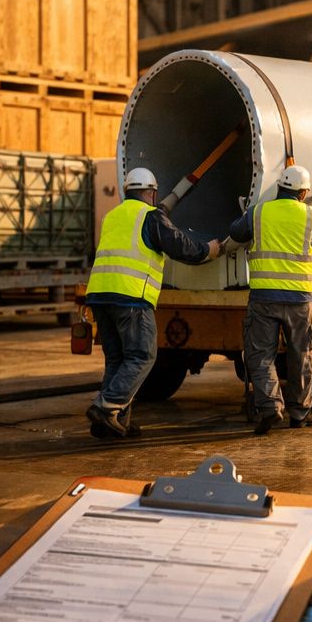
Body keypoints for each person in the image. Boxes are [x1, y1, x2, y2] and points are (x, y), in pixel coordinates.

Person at [84, 167, 220, 440]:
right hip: (130, 296)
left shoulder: (114, 216)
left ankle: (114, 422)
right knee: (142, 356)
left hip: (99, 294)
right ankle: (106, 406)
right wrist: (208, 250)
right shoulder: (150, 216)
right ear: (151, 192)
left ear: (127, 191)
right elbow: (180, 245)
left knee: (118, 359)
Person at [228, 165, 312, 434]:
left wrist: (248, 212)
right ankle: (299, 413)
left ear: (279, 187)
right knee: (302, 355)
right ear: (303, 193)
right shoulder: (311, 214)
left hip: (264, 297)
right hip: (300, 299)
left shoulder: (259, 212)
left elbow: (236, 232)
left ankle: (270, 406)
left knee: (259, 354)